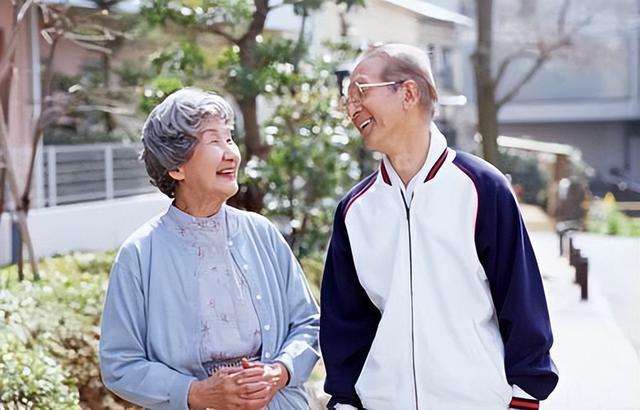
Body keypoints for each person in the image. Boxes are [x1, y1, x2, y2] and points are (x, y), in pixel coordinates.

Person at [320, 44, 558, 410]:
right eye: (347, 96)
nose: (351, 107)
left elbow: (521, 302)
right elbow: (345, 324)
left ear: (409, 93)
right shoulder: (355, 210)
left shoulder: (482, 188)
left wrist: (524, 398)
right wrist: (345, 402)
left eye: (360, 91)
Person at [99, 88, 319, 410]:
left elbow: (308, 323)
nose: (231, 153)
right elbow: (119, 363)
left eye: (229, 139)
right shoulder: (140, 255)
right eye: (214, 141)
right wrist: (197, 393)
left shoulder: (262, 234)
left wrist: (280, 371)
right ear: (176, 167)